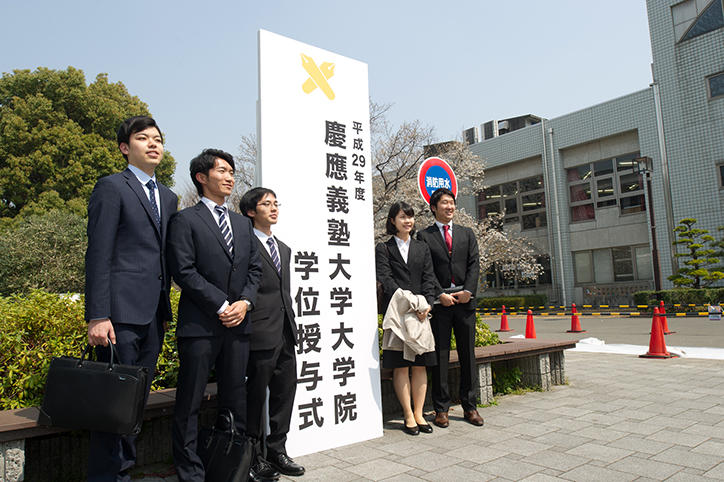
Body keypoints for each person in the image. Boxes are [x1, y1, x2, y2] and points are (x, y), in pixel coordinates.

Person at [85, 115, 178, 481]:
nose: (153, 144)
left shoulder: (168, 197)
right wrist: (97, 314)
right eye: (143, 138)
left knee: (135, 406)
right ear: (126, 148)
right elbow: (99, 253)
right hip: (118, 317)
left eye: (158, 138)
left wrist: (167, 309)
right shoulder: (112, 187)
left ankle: (124, 473)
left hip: (154, 315)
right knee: (113, 407)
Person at [167, 149, 262, 482]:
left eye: (232, 171)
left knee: (235, 398)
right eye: (222, 170)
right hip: (200, 326)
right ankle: (190, 471)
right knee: (190, 401)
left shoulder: (242, 223)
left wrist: (245, 303)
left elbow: (254, 269)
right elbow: (184, 270)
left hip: (238, 324)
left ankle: (235, 466)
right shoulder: (185, 220)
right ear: (201, 177)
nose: (230, 176)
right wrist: (222, 304)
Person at [241, 187, 305, 479]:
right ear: (251, 211)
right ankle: (252, 457)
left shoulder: (284, 248)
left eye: (276, 203)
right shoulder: (244, 246)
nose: (274, 208)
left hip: (285, 333)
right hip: (257, 333)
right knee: (254, 398)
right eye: (266, 204)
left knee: (284, 394)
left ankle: (277, 451)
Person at [417, 188, 484, 428]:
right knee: (441, 356)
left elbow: (474, 263)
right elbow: (425, 269)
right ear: (434, 207)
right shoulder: (424, 236)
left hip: (465, 302)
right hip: (441, 304)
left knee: (468, 354)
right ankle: (441, 409)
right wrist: (439, 294)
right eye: (444, 203)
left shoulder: (467, 234)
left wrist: (469, 290)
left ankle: (470, 406)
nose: (450, 207)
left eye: (452, 203)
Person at [375, 201, 439, 435]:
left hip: (421, 315)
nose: (407, 221)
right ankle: (408, 415)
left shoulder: (422, 248)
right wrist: (408, 300)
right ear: (392, 220)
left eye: (410, 217)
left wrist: (427, 305)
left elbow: (429, 279)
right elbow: (385, 277)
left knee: (421, 366)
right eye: (402, 217)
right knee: (401, 366)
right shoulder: (384, 248)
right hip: (397, 314)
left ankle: (420, 413)